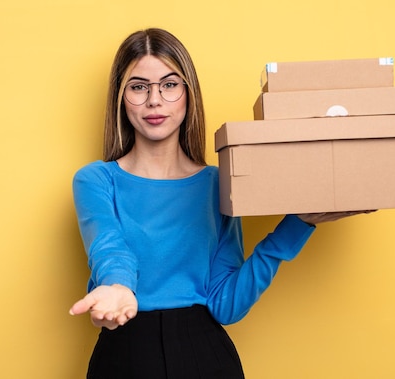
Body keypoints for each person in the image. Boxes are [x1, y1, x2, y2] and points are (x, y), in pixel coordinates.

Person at [69, 28, 370, 378]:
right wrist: (118, 287)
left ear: (188, 94)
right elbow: (109, 247)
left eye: (169, 84)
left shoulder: (218, 184)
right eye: (138, 87)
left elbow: (226, 305)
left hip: (205, 357)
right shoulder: (95, 181)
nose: (154, 100)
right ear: (121, 98)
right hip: (125, 356)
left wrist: (297, 223)